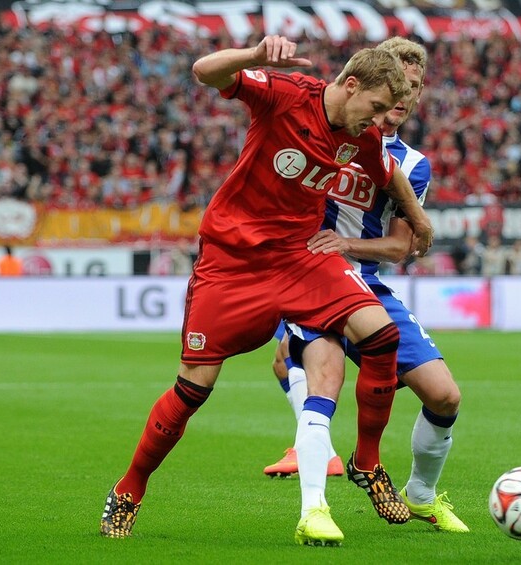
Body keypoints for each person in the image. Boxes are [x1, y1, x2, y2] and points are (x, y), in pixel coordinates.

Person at [100, 36, 434, 541]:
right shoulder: (287, 95)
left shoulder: (361, 133)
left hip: (299, 257)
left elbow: (388, 175)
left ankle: (367, 462)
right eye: (375, 106)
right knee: (193, 388)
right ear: (350, 85)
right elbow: (204, 70)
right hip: (232, 261)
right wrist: (254, 57)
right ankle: (130, 487)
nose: (380, 120)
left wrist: (418, 218)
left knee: (381, 334)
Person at [264, 38, 468, 545]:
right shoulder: (326, 130)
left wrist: (347, 243)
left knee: (445, 395)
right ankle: (317, 502)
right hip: (312, 279)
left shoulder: (413, 164)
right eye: (397, 82)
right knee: (320, 377)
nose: (404, 95)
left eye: (414, 87)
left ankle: (421, 493)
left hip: (369, 284)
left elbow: (401, 246)